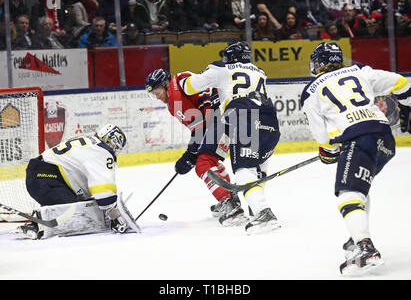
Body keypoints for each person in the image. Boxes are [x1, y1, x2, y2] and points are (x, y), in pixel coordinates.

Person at [301, 41, 411, 275]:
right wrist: (407, 106)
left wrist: (326, 150)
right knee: (359, 189)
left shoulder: (311, 90)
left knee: (348, 193)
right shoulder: (361, 71)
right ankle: (357, 236)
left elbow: (320, 134)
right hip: (385, 139)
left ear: (319, 63)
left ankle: (364, 246)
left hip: (357, 138)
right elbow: (401, 83)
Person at [179, 42, 282, 234]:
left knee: (244, 168)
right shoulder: (260, 72)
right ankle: (256, 203)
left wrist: (185, 80)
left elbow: (189, 86)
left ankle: (264, 213)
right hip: (270, 117)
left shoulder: (220, 68)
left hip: (244, 116)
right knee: (258, 164)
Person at [144, 68, 247, 226]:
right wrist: (191, 153)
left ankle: (230, 205)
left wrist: (189, 156)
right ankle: (229, 196)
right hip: (228, 118)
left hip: (221, 119)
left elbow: (200, 128)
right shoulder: (178, 84)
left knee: (202, 165)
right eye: (153, 95)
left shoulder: (175, 93)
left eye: (157, 92)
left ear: (165, 84)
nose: (157, 97)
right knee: (210, 160)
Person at [12, 124, 139, 240]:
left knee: (82, 206)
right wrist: (114, 215)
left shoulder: (89, 142)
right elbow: (104, 193)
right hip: (46, 178)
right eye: (116, 147)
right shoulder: (101, 151)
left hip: (39, 175)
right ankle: (36, 225)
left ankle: (39, 221)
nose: (115, 150)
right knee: (76, 214)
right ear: (112, 141)